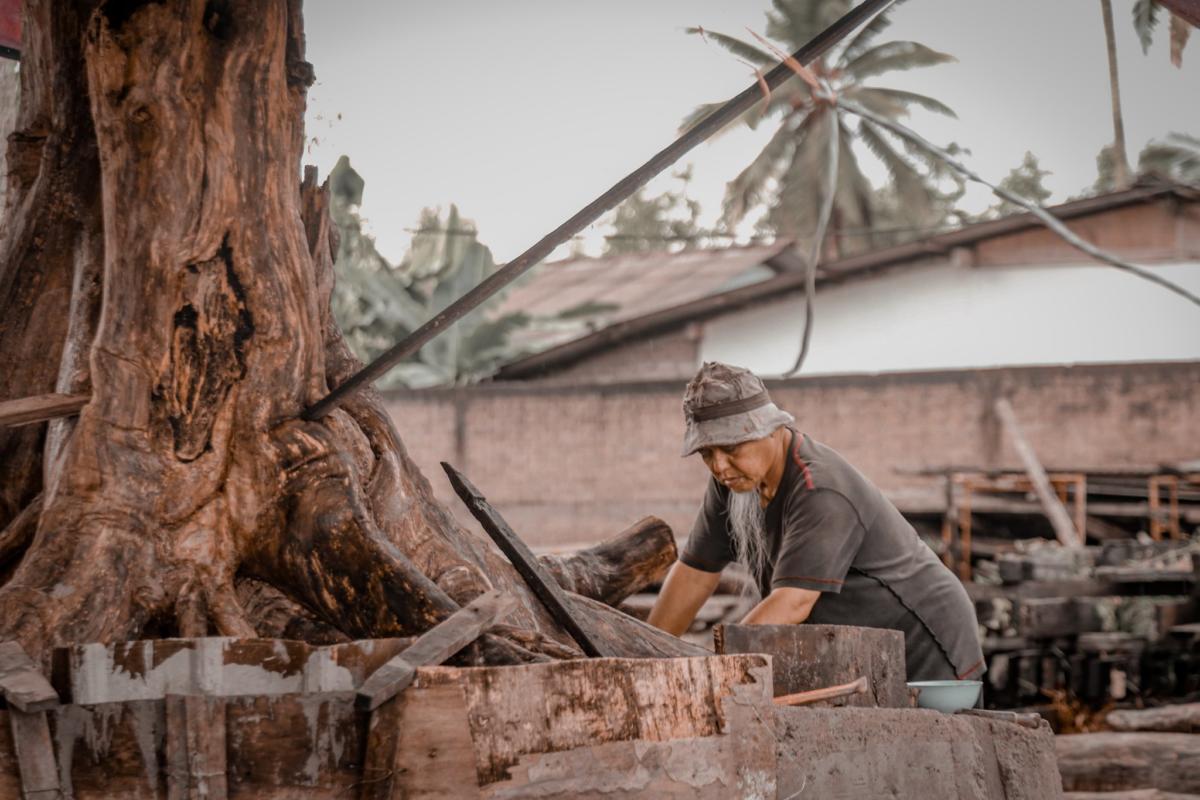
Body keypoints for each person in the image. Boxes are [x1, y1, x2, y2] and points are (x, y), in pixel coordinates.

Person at [647, 361, 984, 683]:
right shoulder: (733, 481)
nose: (719, 466)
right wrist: (644, 659)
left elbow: (792, 603)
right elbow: (694, 573)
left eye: (731, 448)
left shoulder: (820, 488)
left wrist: (712, 671)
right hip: (858, 649)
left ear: (772, 429)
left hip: (926, 641)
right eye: (707, 453)